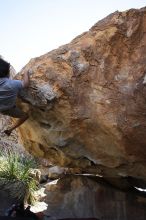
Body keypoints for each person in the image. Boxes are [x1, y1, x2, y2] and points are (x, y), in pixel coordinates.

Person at [0, 58, 30, 136]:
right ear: (7, 73)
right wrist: (26, 73)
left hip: (2, 108)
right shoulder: (13, 84)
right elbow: (25, 83)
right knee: (25, 116)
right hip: (8, 109)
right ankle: (10, 130)